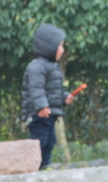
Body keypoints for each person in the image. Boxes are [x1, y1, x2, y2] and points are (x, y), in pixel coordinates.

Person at [21, 22, 73, 169]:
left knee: (50, 141)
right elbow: (35, 88)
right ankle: (35, 168)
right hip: (39, 115)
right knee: (40, 142)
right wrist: (41, 106)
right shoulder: (36, 66)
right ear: (49, 46)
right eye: (60, 46)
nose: (62, 50)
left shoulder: (52, 67)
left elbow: (53, 91)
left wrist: (64, 97)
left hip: (49, 115)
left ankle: (44, 167)